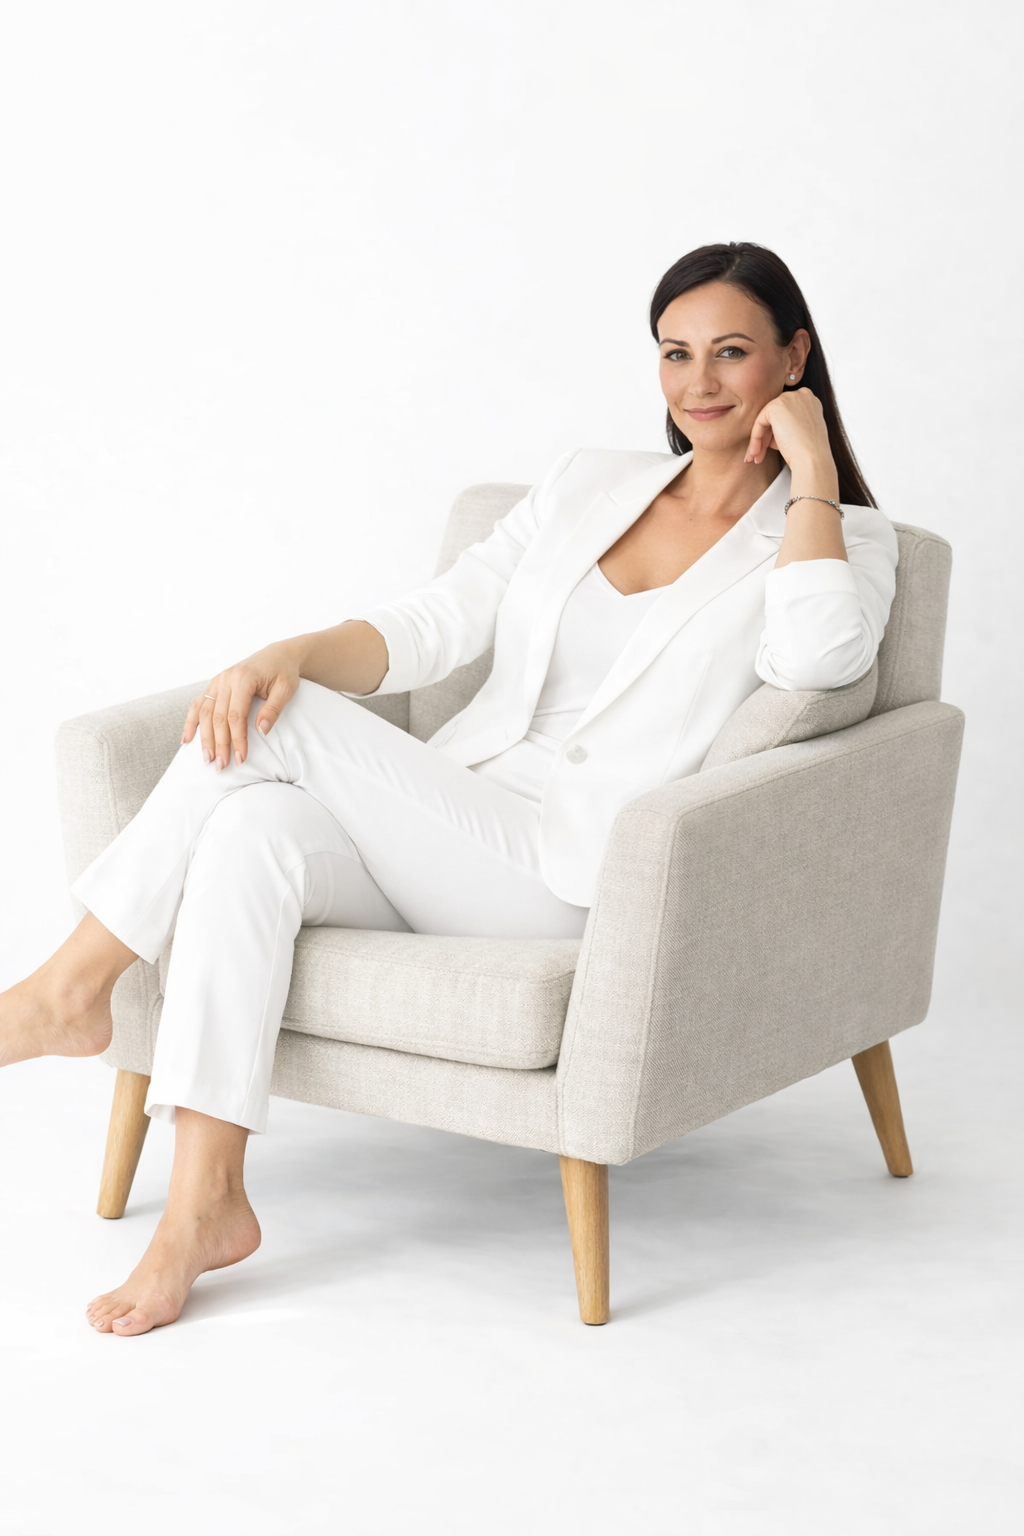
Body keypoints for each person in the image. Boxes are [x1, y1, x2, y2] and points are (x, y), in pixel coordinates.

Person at [0, 242, 898, 1335]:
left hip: (572, 874)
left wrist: (811, 473)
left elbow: (819, 661)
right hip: (460, 823)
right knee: (250, 827)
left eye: (730, 352)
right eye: (675, 353)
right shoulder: (588, 483)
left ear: (792, 358)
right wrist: (290, 649)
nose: (698, 382)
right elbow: (439, 621)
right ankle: (206, 1206)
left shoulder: (840, 538)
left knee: (288, 724)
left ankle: (68, 989)